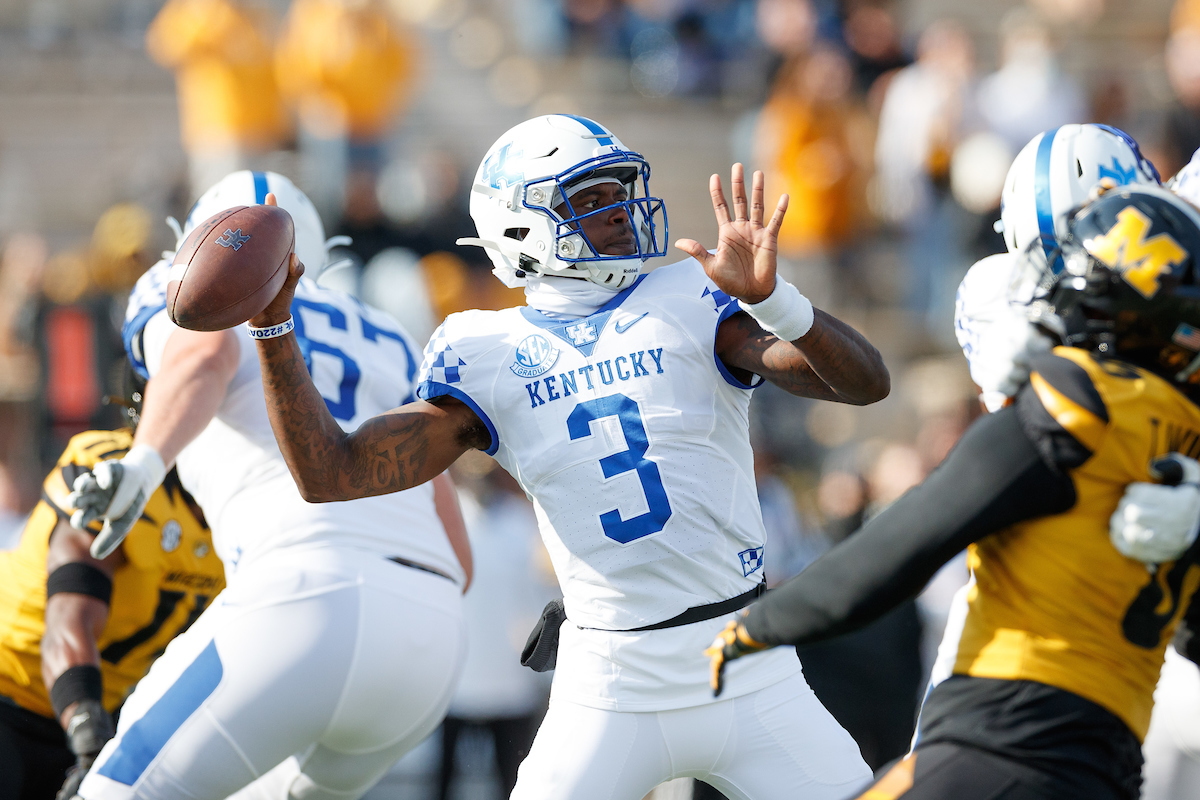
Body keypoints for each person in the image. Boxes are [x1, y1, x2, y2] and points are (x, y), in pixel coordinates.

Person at [244, 114, 888, 799]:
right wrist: (273, 328)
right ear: (518, 228)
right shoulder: (485, 352)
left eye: (618, 191)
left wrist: (776, 301)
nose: (619, 212)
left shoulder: (690, 298)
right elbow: (332, 474)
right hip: (610, 680)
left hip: (746, 660)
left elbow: (863, 384)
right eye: (589, 199)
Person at [706, 184, 1200, 800]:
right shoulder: (1185, 441)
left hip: (1001, 736)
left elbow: (907, 539)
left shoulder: (1078, 404)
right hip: (1109, 768)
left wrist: (756, 626)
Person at [65, 171, 473, 800]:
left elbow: (204, 357)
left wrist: (146, 461)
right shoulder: (390, 334)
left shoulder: (211, 281)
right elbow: (456, 543)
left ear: (199, 242)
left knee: (116, 793)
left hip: (298, 595)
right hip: (432, 631)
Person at [0, 387, 223, 800]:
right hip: (16, 681)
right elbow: (70, 621)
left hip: (106, 713)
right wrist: (91, 742)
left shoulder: (246, 507)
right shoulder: (110, 471)